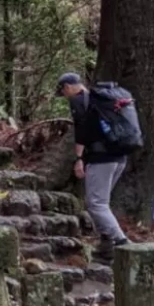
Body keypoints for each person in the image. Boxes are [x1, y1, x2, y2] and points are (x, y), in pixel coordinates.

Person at [56, 72, 130, 260]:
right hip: (120, 156)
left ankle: (123, 244)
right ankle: (106, 245)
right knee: (102, 202)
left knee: (96, 203)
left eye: (64, 91)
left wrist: (79, 158)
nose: (65, 95)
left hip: (101, 158)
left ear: (68, 87)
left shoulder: (78, 101)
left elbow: (81, 131)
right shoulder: (99, 101)